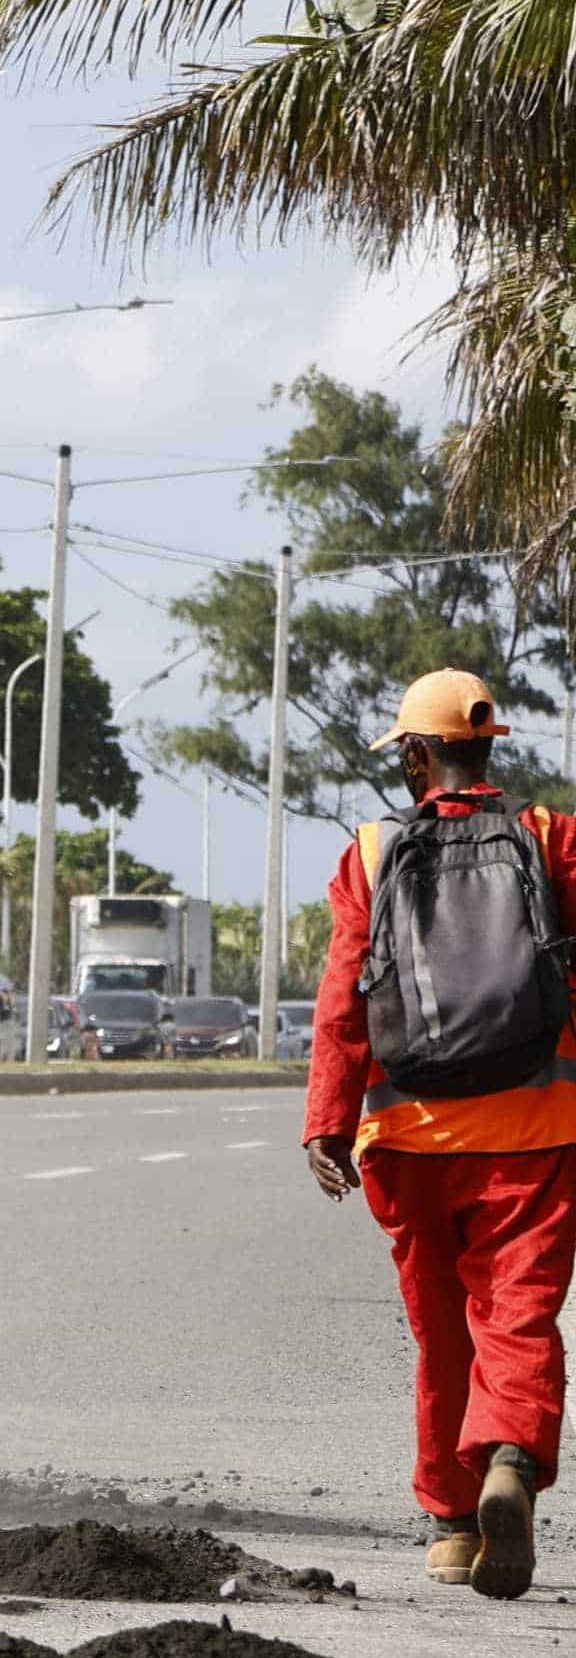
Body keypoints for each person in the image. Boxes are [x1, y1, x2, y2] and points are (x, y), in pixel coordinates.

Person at [302, 668, 576, 1598]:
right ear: (490, 747)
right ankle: (510, 1459)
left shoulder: (371, 853)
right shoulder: (549, 838)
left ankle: (455, 1522)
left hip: (408, 1139)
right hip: (537, 1124)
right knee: (519, 1309)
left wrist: (327, 1124)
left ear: (415, 755)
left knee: (442, 1330)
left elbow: (343, 1001)